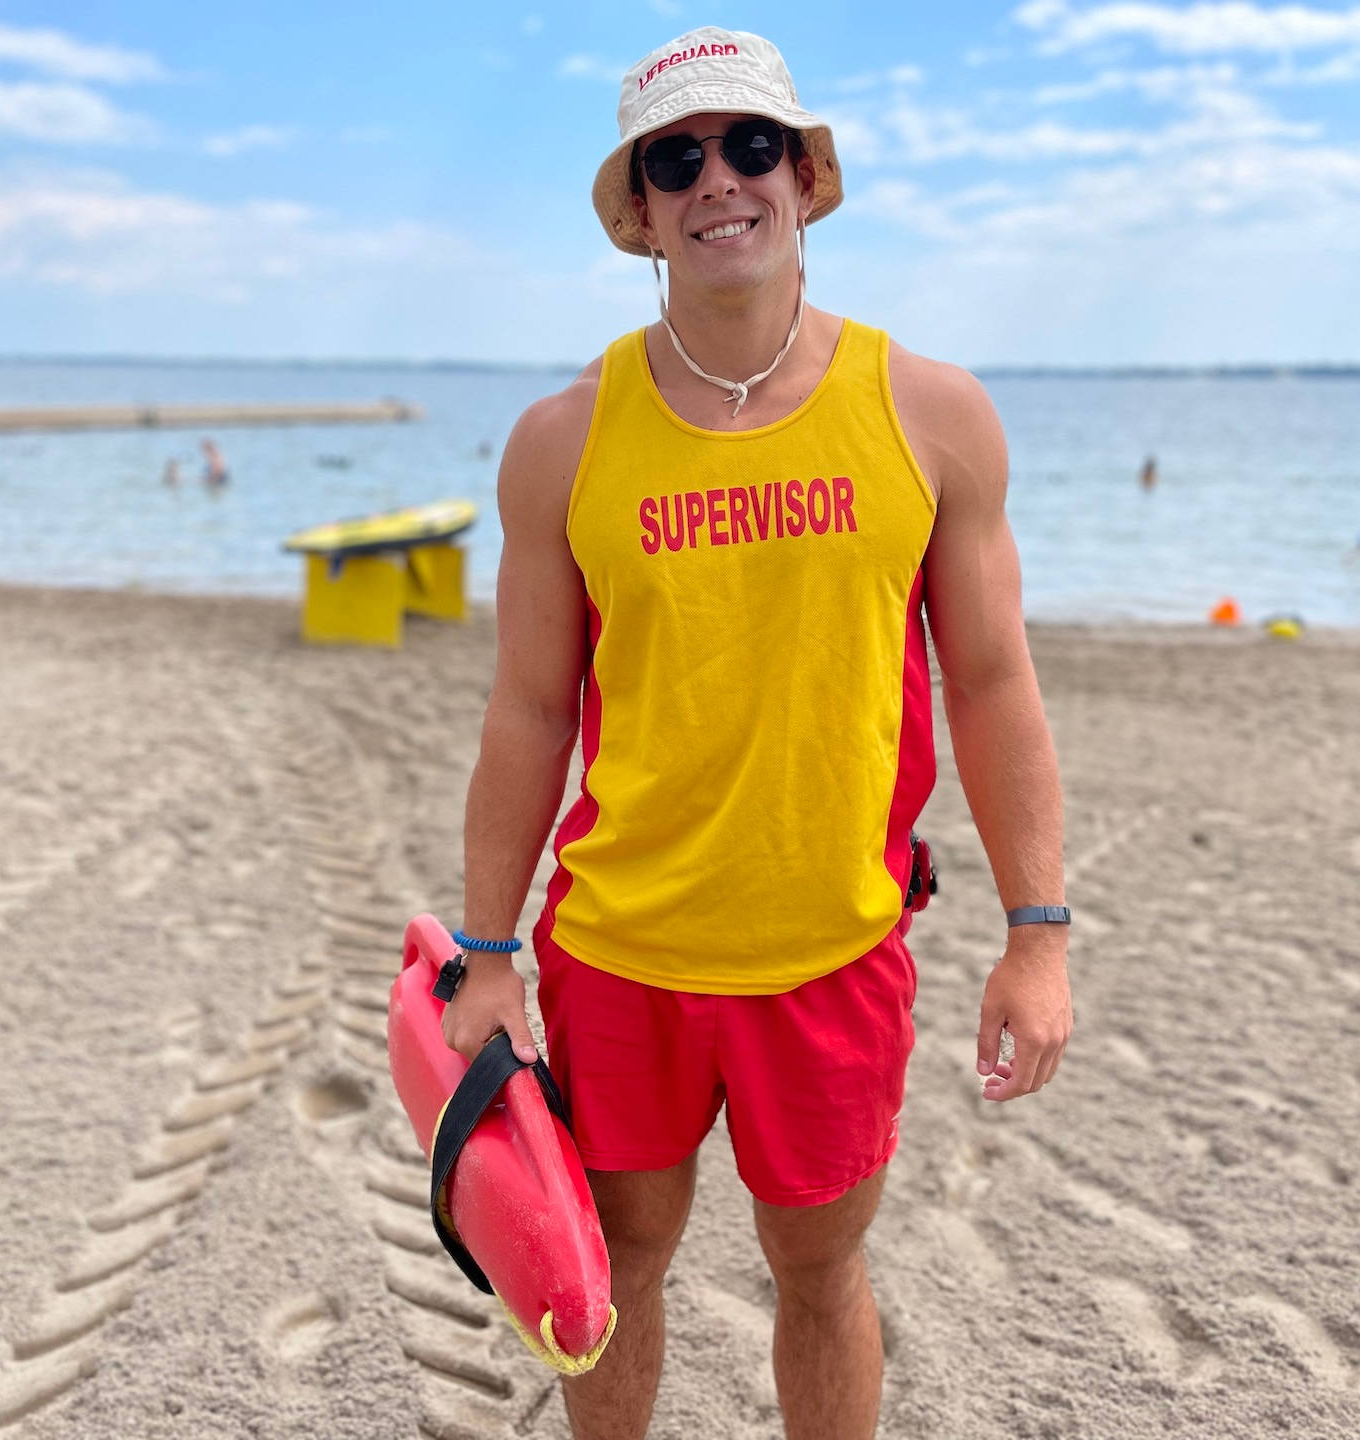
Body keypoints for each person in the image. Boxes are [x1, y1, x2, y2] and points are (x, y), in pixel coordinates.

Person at [442, 29, 1072, 1440]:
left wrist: (1039, 934)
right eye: (679, 158)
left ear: (806, 176)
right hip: (619, 952)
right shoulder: (563, 439)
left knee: (821, 1270)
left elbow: (992, 683)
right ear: (643, 215)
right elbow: (530, 711)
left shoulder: (930, 412)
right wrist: (487, 956)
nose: (719, 179)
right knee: (612, 1272)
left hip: (833, 953)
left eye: (751, 147)